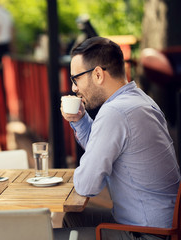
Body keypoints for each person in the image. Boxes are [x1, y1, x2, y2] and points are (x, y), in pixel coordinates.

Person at [55, 37, 180, 239]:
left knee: (55, 235)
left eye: (75, 79)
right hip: (164, 224)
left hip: (148, 233)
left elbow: (87, 185)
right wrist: (80, 119)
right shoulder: (140, 99)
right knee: (74, 219)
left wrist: (83, 170)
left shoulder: (115, 112)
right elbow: (101, 149)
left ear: (97, 74)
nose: (74, 88)